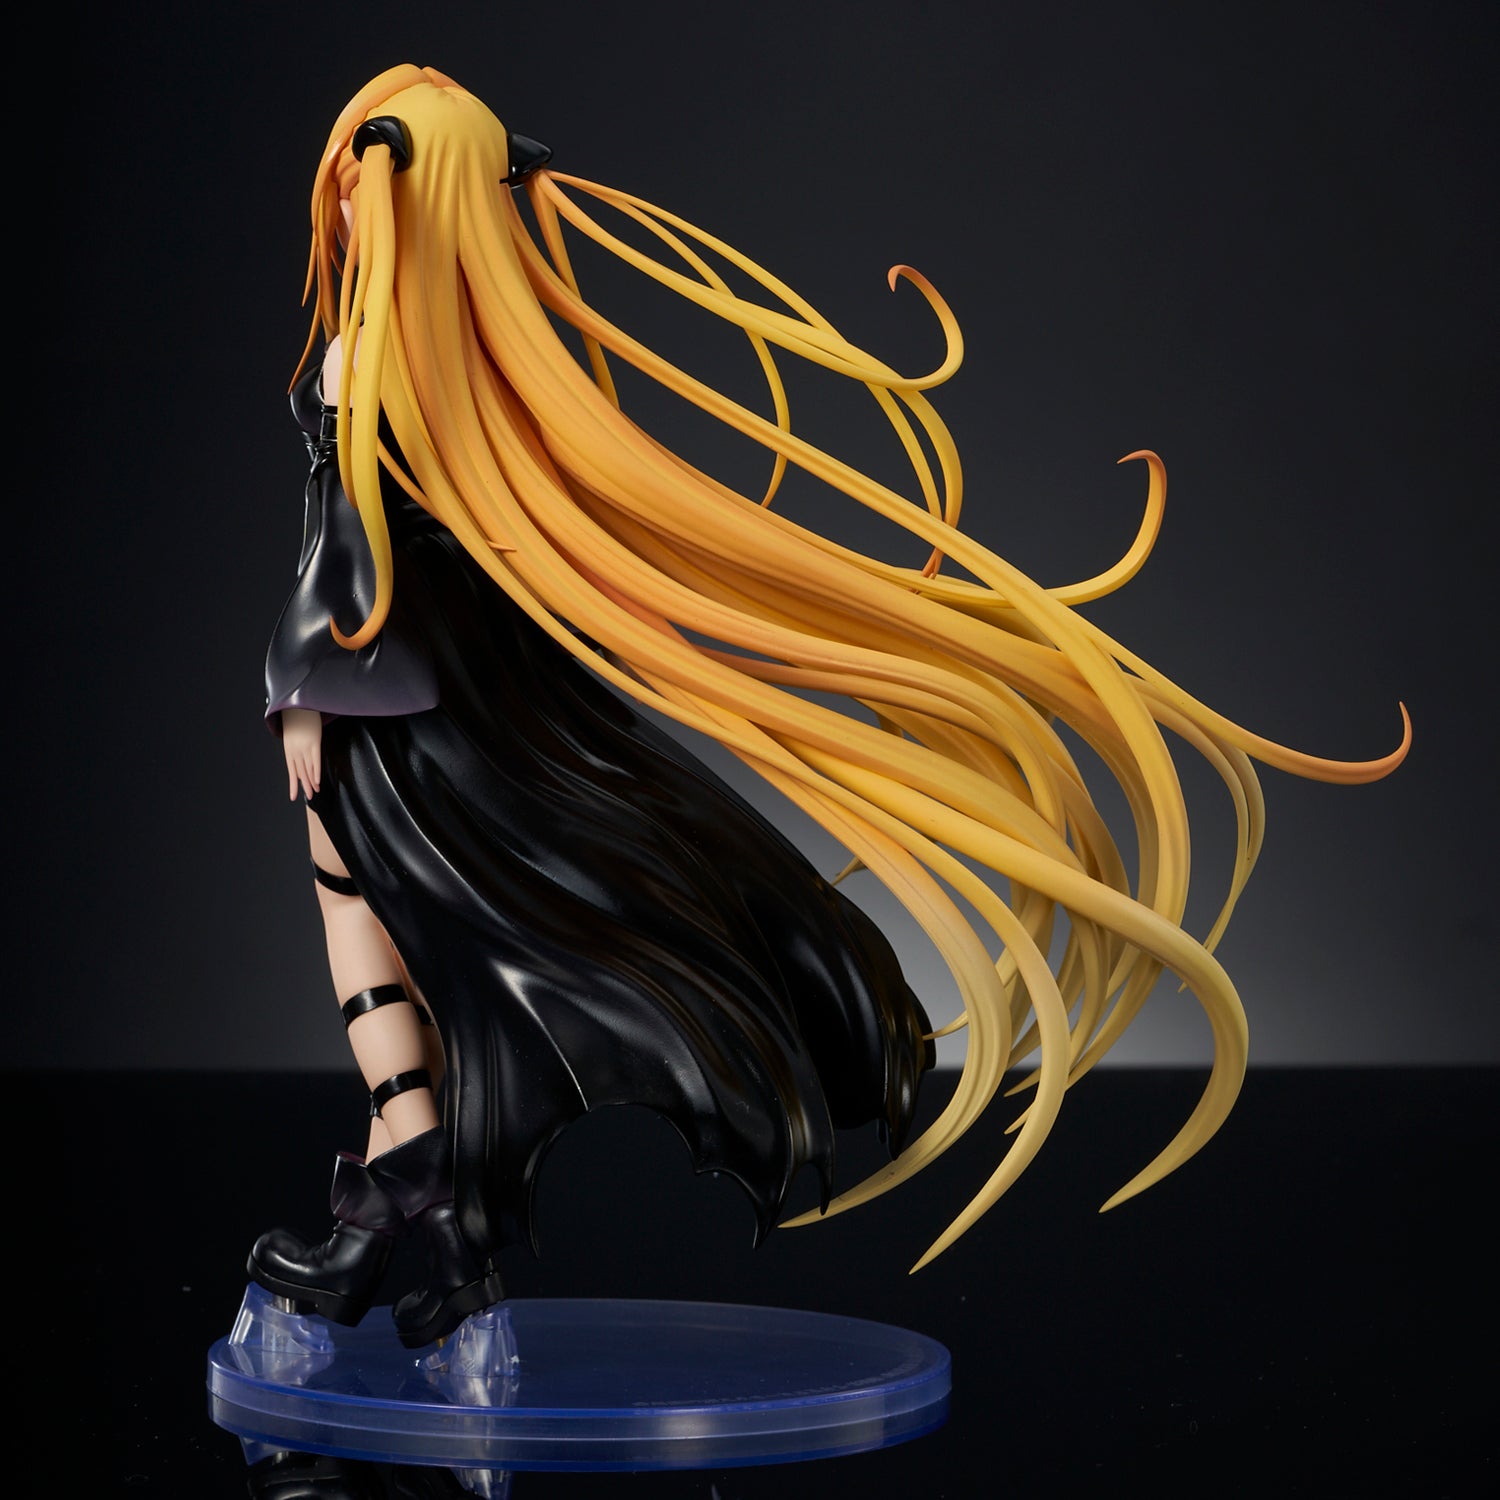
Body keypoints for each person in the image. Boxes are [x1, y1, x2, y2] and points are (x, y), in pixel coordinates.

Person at [248, 65, 1408, 1348]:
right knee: (432, 936)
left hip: (379, 705)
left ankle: (410, 1172)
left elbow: (345, 556)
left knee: (368, 916)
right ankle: (422, 1221)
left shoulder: (370, 358)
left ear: (394, 188)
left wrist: (302, 697)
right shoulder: (474, 356)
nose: (341, 200)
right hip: (457, 699)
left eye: (357, 175)